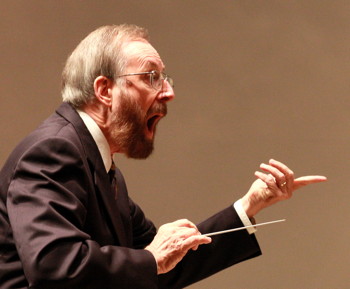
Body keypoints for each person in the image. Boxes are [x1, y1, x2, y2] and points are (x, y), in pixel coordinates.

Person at [0, 24, 326, 289]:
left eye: (165, 78)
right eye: (151, 77)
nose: (169, 92)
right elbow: (54, 264)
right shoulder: (54, 151)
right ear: (104, 90)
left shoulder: (101, 165)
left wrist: (250, 204)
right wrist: (152, 259)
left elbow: (163, 264)